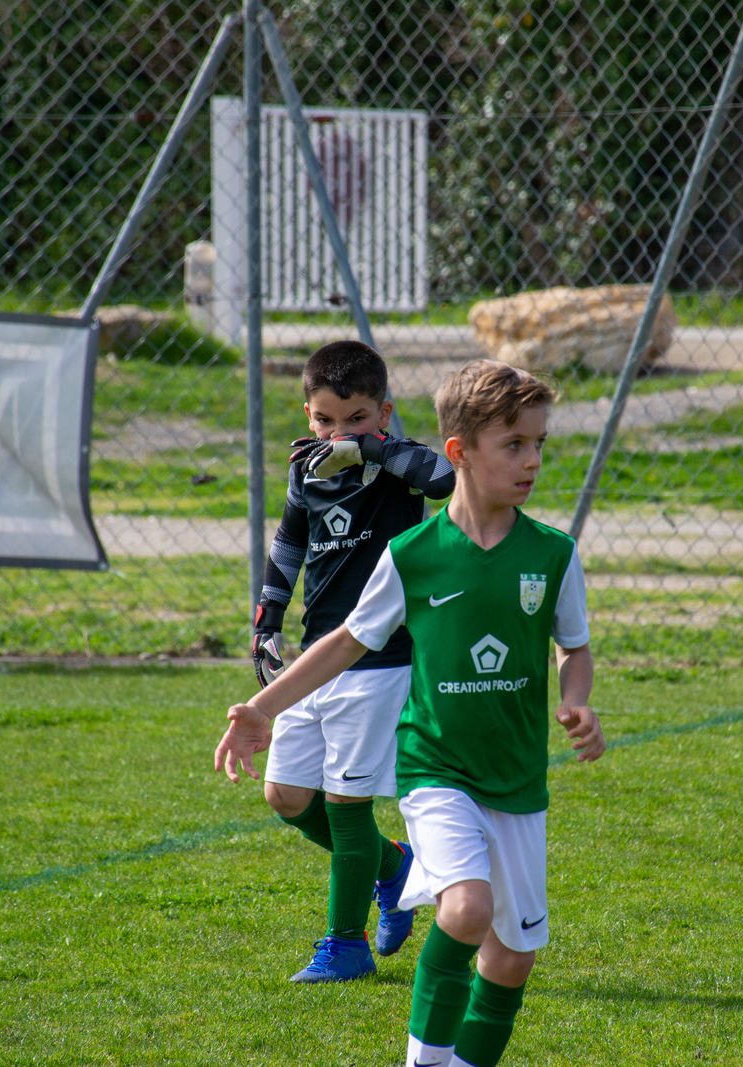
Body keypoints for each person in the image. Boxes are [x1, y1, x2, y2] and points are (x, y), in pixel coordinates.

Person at [217, 360, 605, 1067]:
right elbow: (346, 640)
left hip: (517, 778)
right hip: (437, 770)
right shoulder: (413, 555)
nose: (533, 461)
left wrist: (575, 700)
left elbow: (572, 648)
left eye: (539, 444)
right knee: (465, 909)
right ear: (461, 452)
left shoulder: (553, 555)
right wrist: (263, 707)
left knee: (512, 960)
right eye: (514, 444)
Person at [250, 340, 456, 982]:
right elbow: (290, 543)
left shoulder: (399, 465)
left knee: (346, 804)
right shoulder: (306, 471)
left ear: (384, 414)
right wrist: (267, 619)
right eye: (325, 420)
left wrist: (369, 449)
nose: (338, 432)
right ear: (307, 415)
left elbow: (446, 480)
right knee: (286, 795)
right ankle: (394, 868)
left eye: (357, 418)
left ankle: (345, 946)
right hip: (316, 657)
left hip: (380, 660)